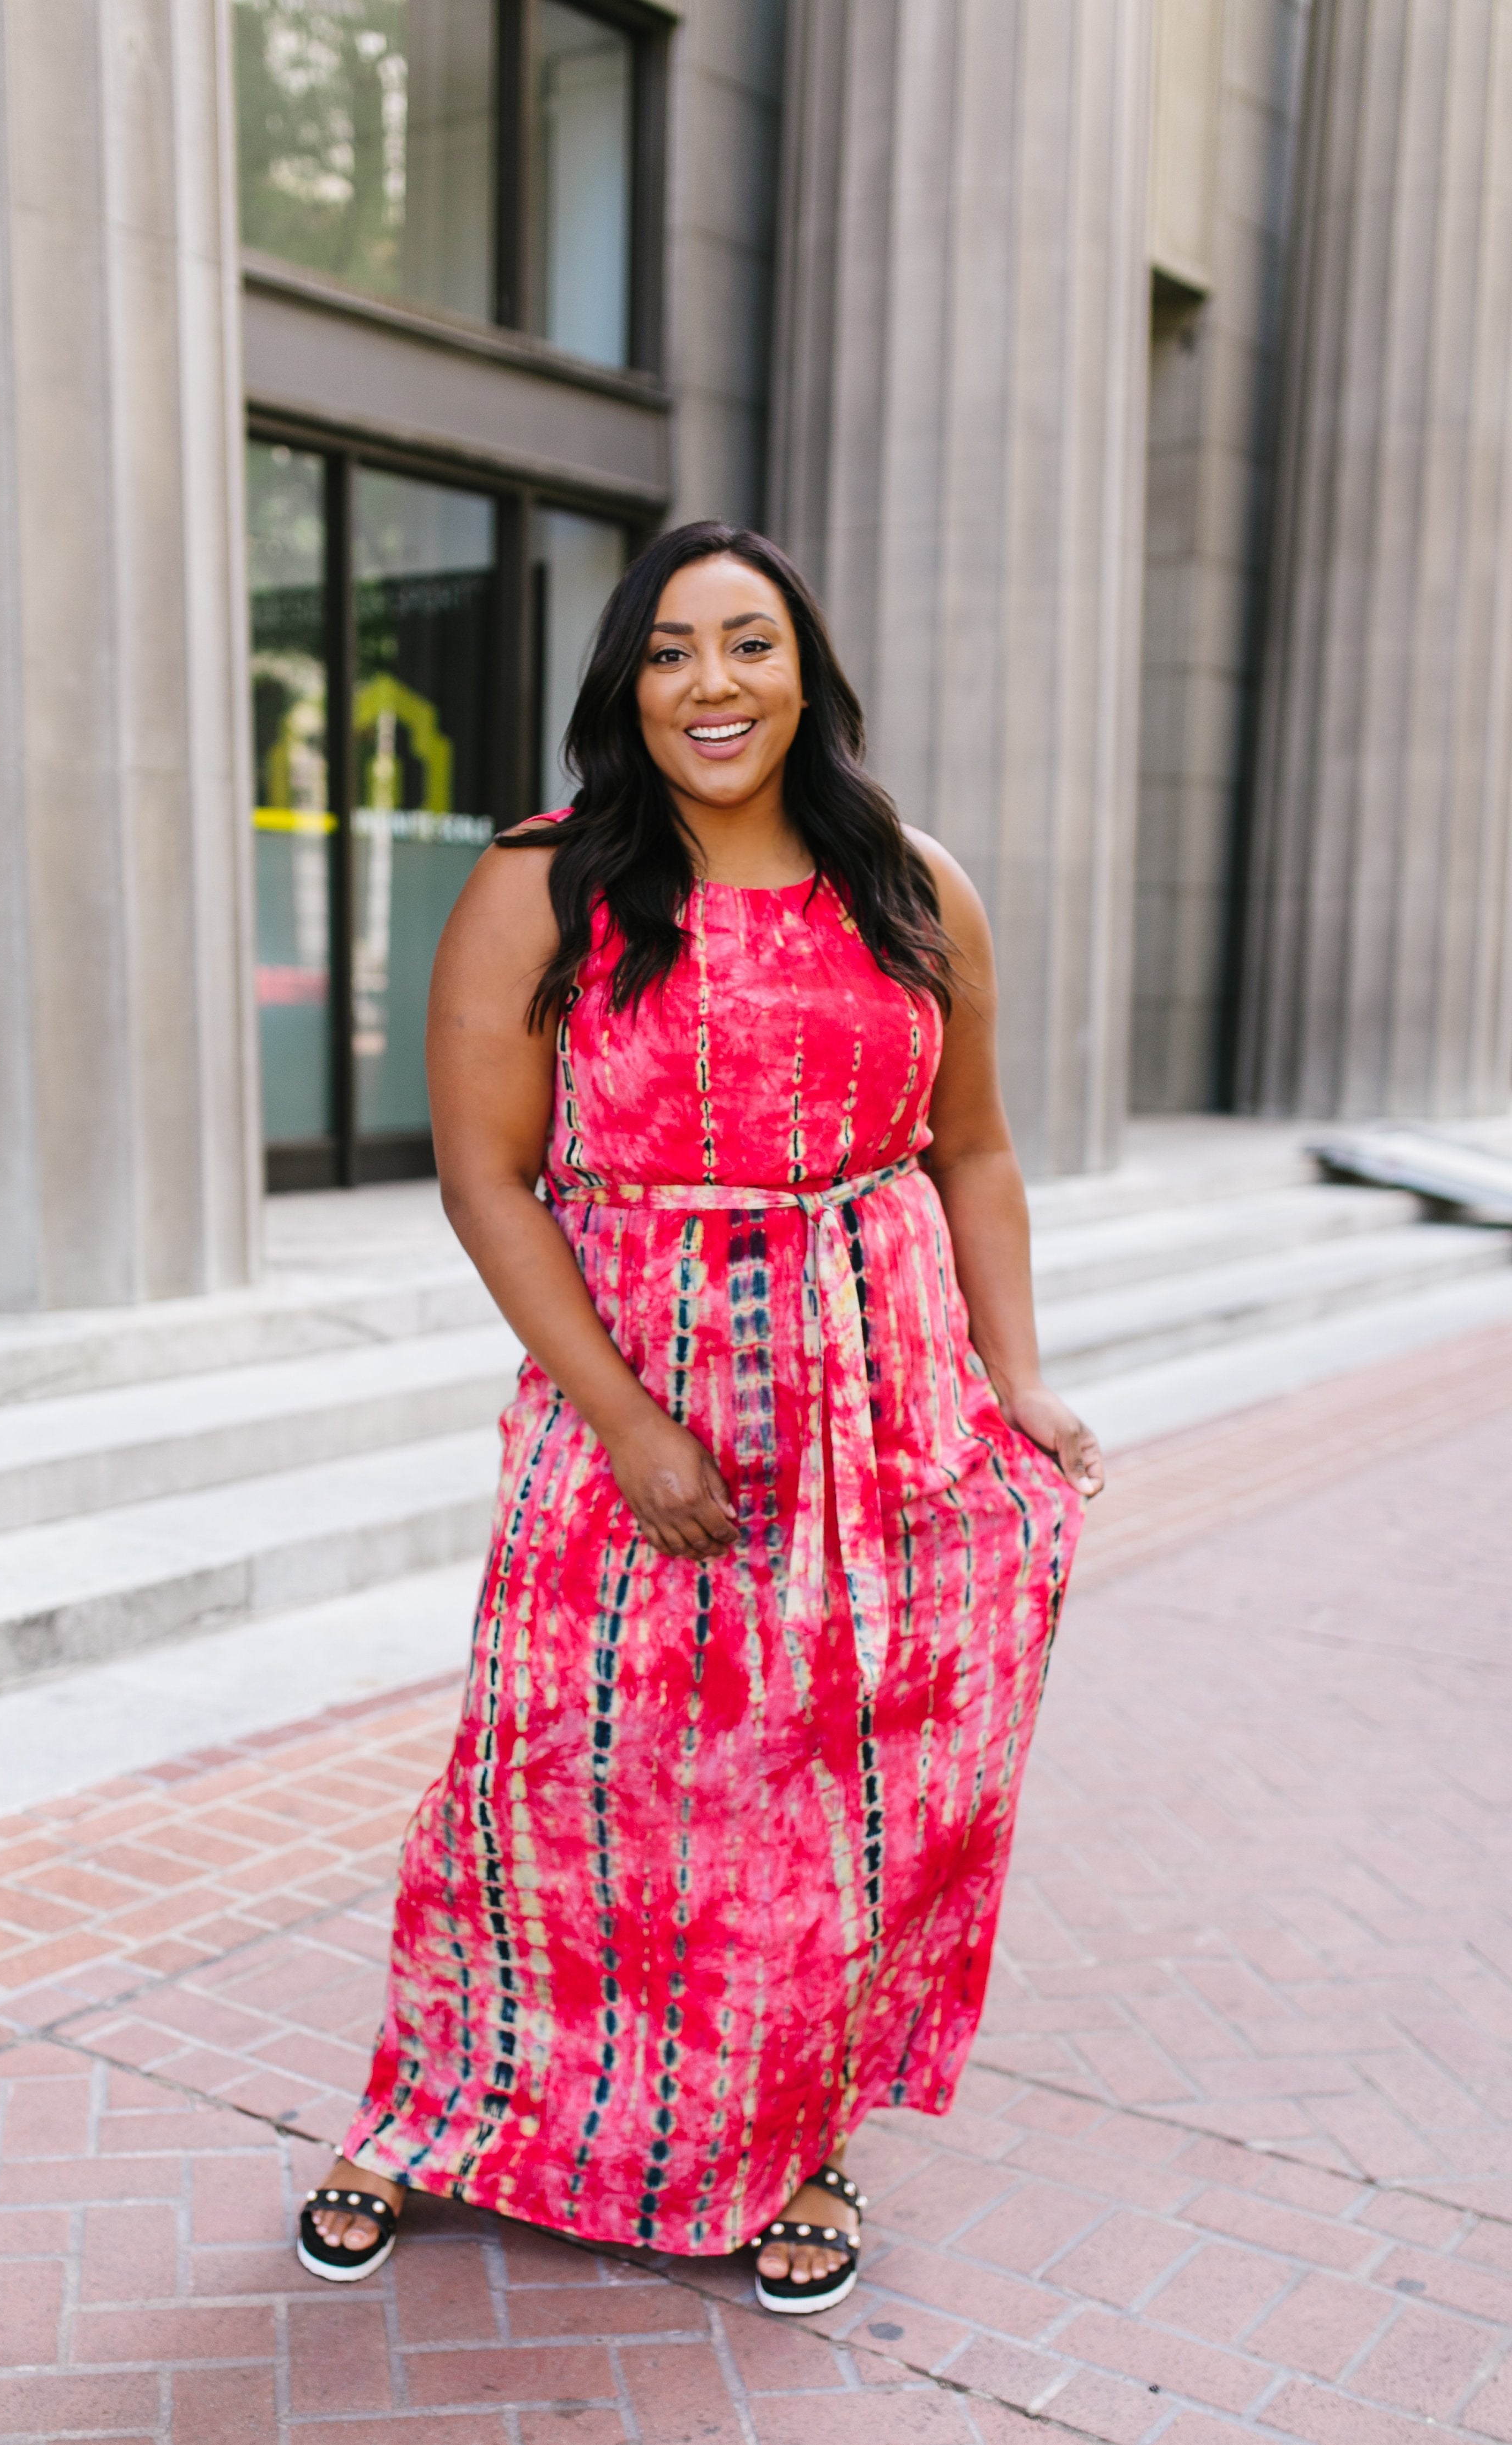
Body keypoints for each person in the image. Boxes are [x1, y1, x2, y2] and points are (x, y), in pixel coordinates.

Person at [296, 521, 1101, 2314]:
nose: (710, 684)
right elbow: (487, 1180)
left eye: (747, 644)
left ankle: (802, 2143)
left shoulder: (911, 880)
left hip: (884, 1408)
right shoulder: (545, 878)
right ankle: (442, 2114)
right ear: (627, 683)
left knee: (837, 1798)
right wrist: (633, 1427)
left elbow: (971, 1147)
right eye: (669, 652)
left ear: (804, 668)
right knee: (551, 1776)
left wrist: (1015, 1380)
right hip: (635, 1389)